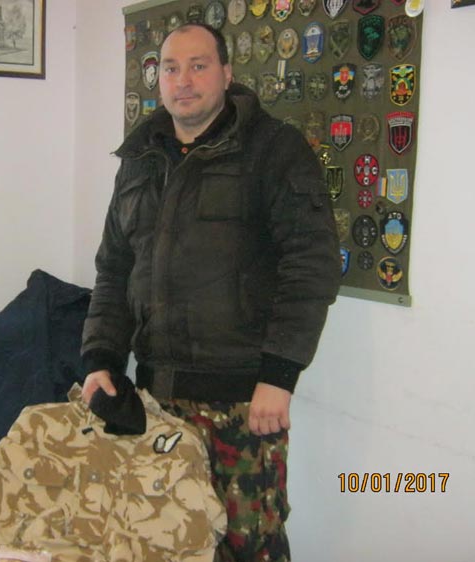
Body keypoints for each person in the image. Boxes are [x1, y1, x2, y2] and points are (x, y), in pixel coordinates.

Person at [80, 23, 340, 562]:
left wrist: (279, 375)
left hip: (243, 402)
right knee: (167, 542)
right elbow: (114, 270)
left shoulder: (274, 149)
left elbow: (310, 267)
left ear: (226, 72)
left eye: (198, 66)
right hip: (155, 398)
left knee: (249, 544)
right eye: (171, 68)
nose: (183, 80)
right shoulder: (140, 159)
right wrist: (101, 358)